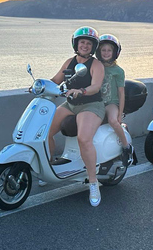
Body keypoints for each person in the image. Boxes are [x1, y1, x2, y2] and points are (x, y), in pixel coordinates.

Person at [46, 26, 106, 207]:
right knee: (46, 131)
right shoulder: (69, 62)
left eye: (88, 43)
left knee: (84, 138)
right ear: (76, 44)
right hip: (71, 104)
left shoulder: (96, 65)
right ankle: (48, 166)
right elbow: (56, 80)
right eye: (82, 42)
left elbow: (96, 86)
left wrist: (81, 91)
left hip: (92, 104)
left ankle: (93, 182)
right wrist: (39, 85)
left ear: (93, 46)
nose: (85, 46)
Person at [96, 33, 133, 166]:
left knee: (112, 120)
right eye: (103, 50)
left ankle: (126, 146)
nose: (106, 53)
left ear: (115, 52)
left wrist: (120, 114)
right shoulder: (96, 66)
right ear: (99, 51)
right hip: (97, 102)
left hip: (111, 102)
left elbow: (121, 93)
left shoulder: (118, 71)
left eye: (109, 50)